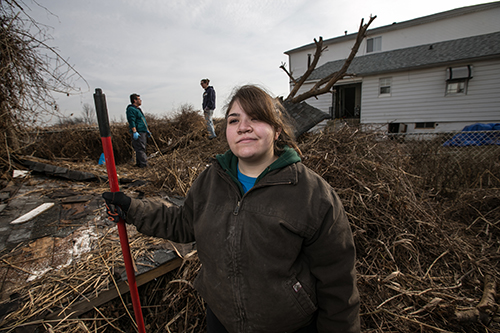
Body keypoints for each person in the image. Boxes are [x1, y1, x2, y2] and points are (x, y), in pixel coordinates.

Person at [104, 85, 360, 333]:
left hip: (288, 326)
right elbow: (183, 223)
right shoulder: (211, 180)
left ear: (277, 130)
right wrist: (133, 209)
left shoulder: (312, 193)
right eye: (234, 120)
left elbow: (337, 282)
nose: (243, 127)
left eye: (256, 118)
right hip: (222, 320)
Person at [126, 93, 149, 168]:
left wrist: (146, 130)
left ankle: (139, 164)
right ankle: (144, 165)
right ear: (134, 100)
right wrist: (134, 131)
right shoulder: (131, 109)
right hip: (138, 132)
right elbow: (131, 121)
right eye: (139, 99)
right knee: (140, 148)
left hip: (142, 131)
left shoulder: (137, 109)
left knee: (141, 148)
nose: (140, 100)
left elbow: (141, 120)